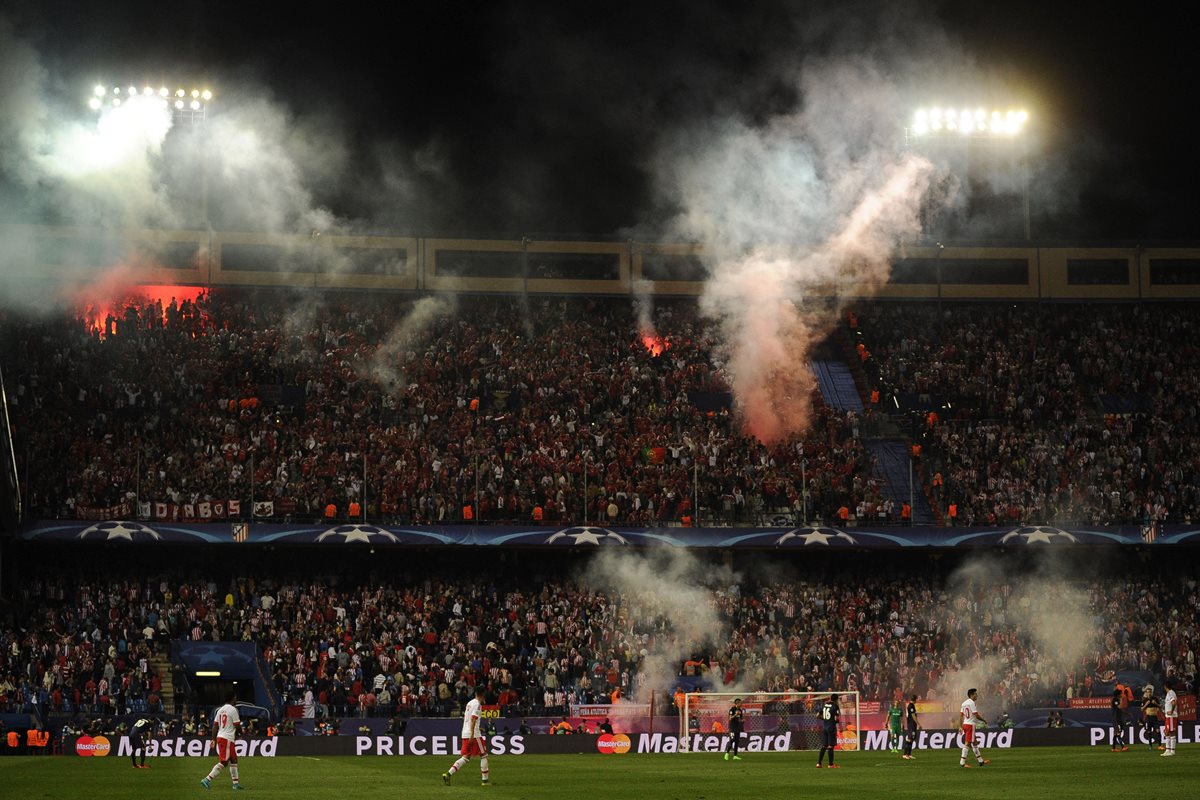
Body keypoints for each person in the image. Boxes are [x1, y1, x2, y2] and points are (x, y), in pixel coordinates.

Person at [443, 686, 490, 786]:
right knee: (484, 755)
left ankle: (448, 774)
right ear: (483, 694)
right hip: (474, 735)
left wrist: (478, 728)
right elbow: (473, 719)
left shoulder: (470, 703)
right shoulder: (477, 704)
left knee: (466, 757)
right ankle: (485, 781)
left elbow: (468, 719)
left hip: (465, 733)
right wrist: (472, 734)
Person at [201, 692, 244, 790]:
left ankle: (235, 784)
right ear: (232, 698)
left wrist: (213, 739)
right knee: (224, 762)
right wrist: (241, 733)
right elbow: (237, 725)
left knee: (234, 760)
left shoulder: (220, 710)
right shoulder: (233, 709)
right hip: (227, 738)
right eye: (235, 698)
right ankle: (207, 779)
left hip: (222, 737)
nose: (236, 700)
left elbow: (215, 725)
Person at [958, 688, 989, 768]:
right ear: (971, 695)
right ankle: (962, 762)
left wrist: (960, 726)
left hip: (965, 724)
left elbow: (961, 716)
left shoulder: (963, 703)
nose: (977, 695)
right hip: (970, 725)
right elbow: (976, 715)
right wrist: (984, 720)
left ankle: (981, 761)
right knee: (968, 743)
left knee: (975, 742)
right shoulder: (972, 703)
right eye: (975, 694)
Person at [815, 694, 840, 769]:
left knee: (824, 745)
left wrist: (824, 719)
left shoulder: (825, 705)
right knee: (830, 746)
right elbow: (836, 718)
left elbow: (817, 715)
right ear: (836, 700)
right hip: (831, 727)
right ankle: (830, 764)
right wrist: (836, 721)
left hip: (825, 727)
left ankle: (819, 763)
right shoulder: (835, 706)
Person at [1162, 680, 1178, 757]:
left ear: (1165, 686)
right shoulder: (1169, 693)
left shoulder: (1171, 693)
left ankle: (1172, 751)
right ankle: (1167, 750)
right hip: (1168, 717)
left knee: (1171, 732)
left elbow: (1174, 702)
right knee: (1167, 732)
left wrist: (1171, 711)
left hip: (1171, 716)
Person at [902, 695, 920, 760]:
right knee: (910, 739)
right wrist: (918, 724)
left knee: (911, 739)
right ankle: (905, 754)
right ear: (915, 699)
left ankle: (909, 754)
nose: (917, 700)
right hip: (911, 725)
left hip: (912, 725)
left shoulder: (911, 705)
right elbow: (913, 715)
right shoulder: (911, 706)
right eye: (917, 699)